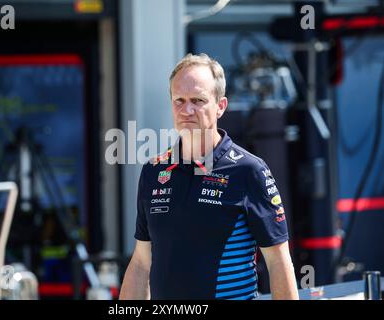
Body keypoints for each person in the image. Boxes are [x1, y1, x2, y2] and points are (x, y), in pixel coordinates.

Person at [119, 53, 299, 300]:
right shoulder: (154, 171)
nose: (187, 110)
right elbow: (141, 261)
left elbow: (278, 261)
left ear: (220, 107)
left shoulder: (248, 170)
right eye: (179, 100)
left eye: (198, 100)